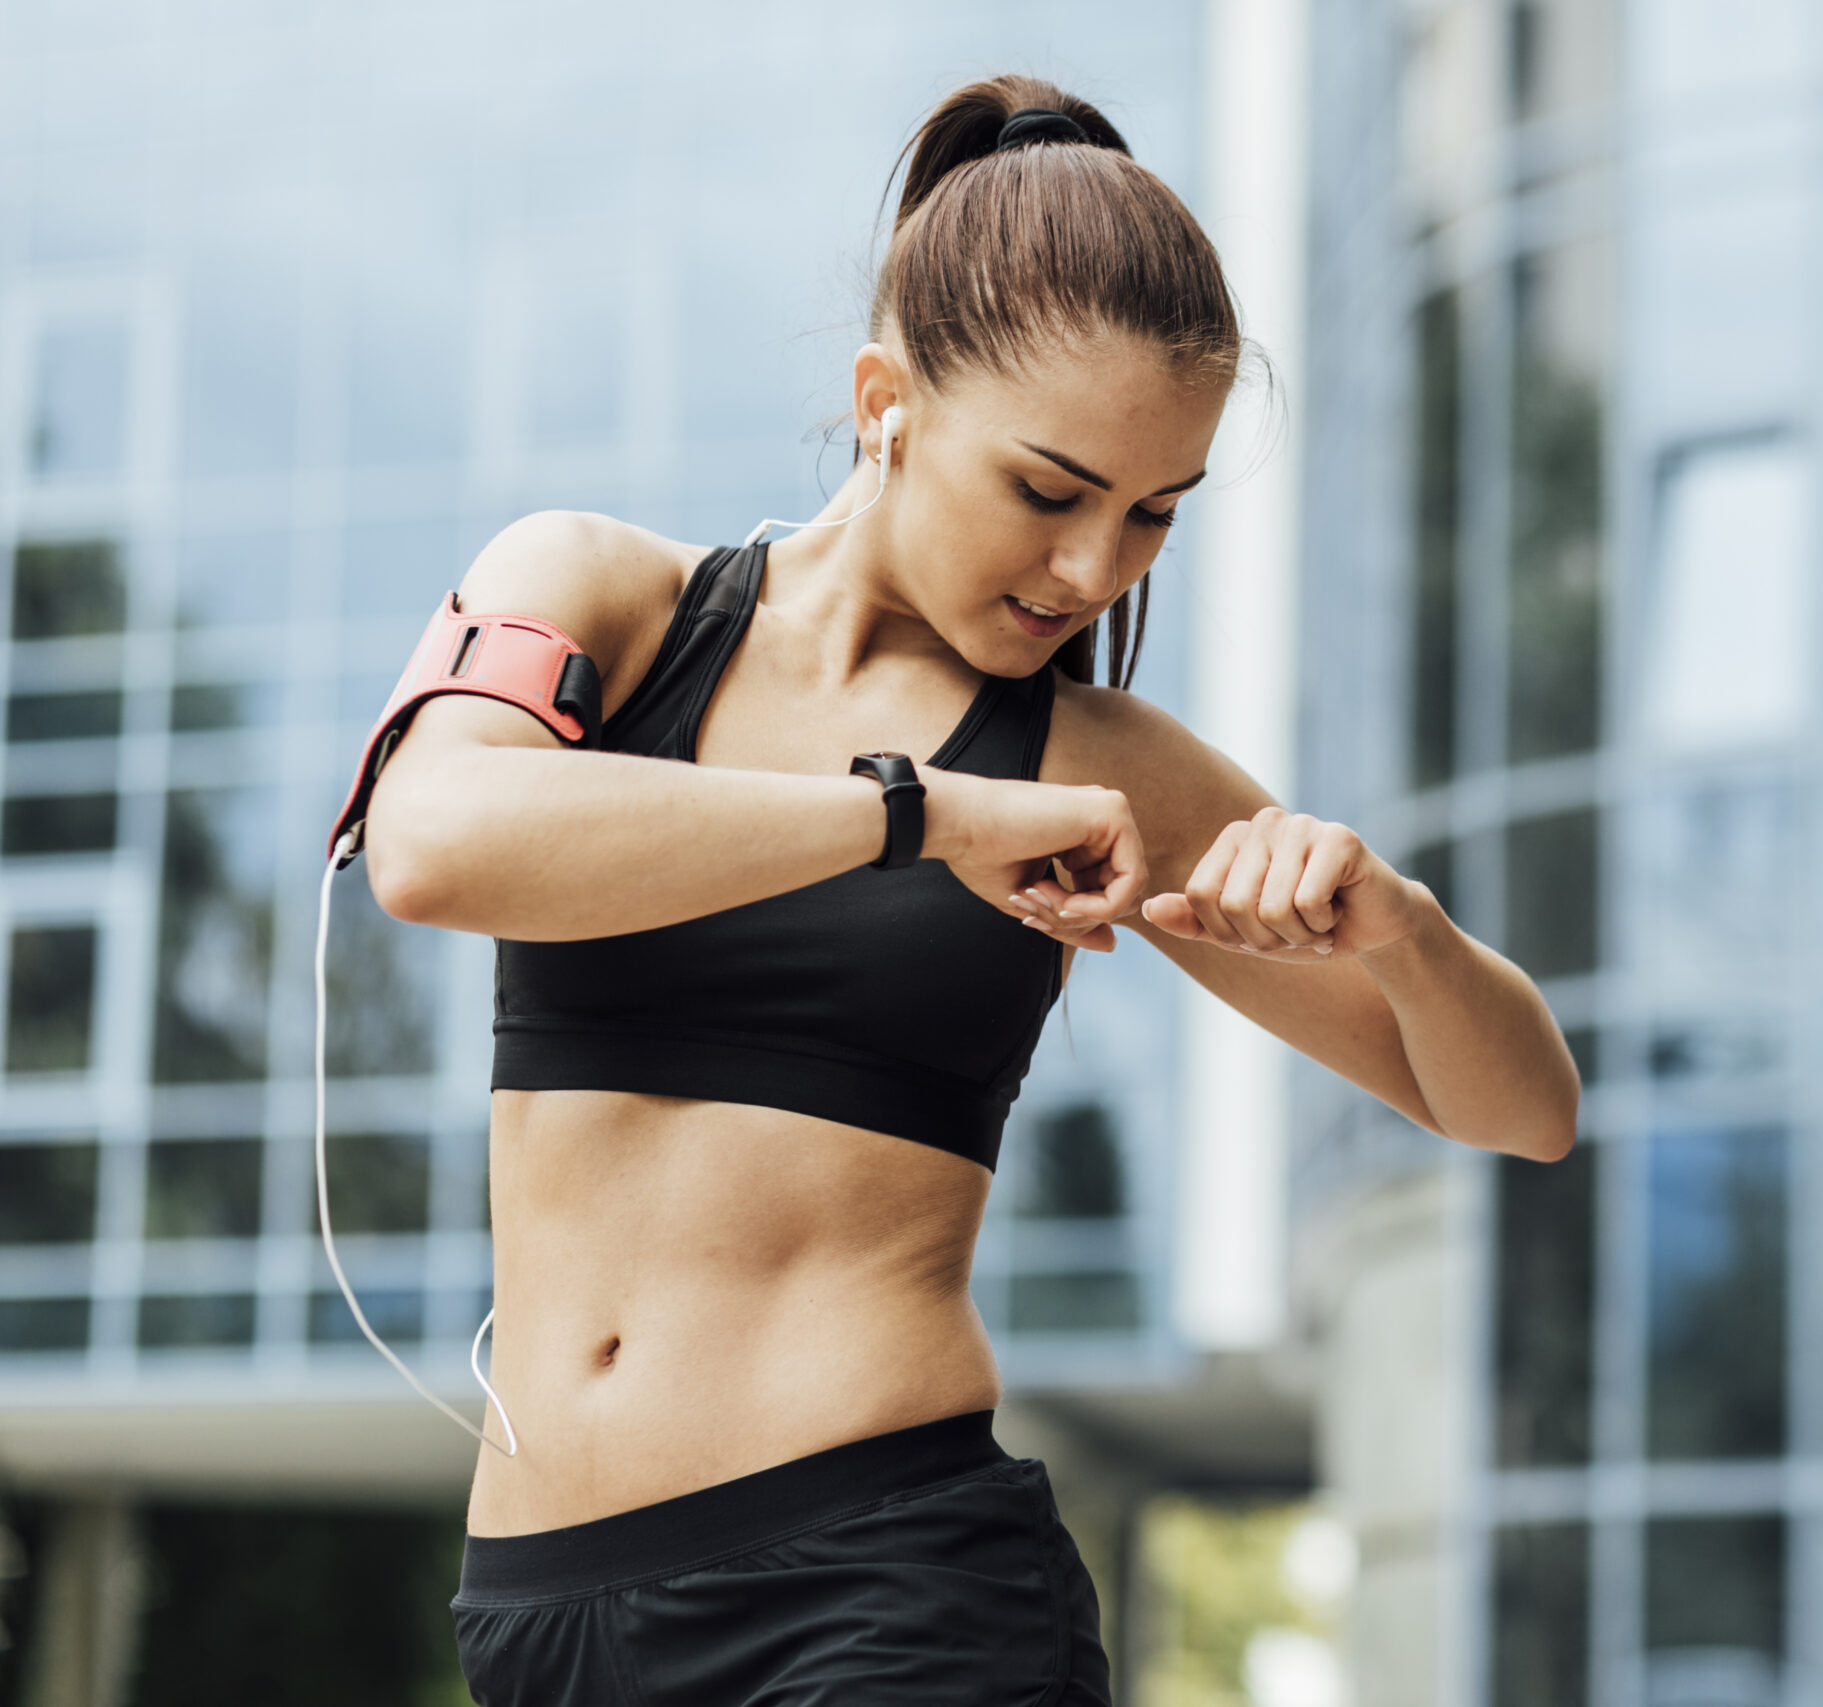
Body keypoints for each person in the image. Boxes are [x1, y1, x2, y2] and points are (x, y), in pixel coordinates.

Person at [361, 73, 1579, 1706]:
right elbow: (431, 842)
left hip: (888, 1591)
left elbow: (1523, 1109)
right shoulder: (600, 596)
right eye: (1051, 490)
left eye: (1154, 515)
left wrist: (1403, 935)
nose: (1094, 572)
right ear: (890, 399)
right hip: (539, 1618)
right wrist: (912, 818)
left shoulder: (1097, 760)